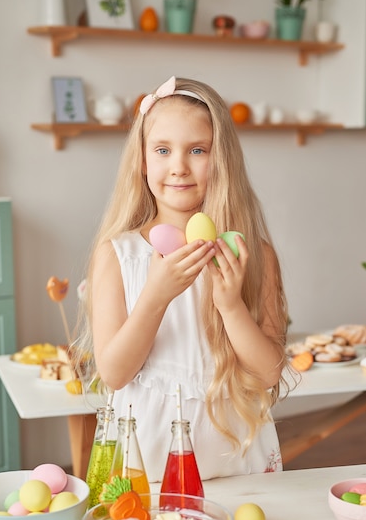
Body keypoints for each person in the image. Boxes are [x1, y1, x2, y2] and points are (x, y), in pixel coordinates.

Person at [77, 75, 290, 482]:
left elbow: (268, 374)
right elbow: (115, 373)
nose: (178, 166)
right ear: (142, 160)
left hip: (238, 454)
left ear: (221, 159)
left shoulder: (251, 254)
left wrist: (229, 305)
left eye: (197, 150)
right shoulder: (117, 255)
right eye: (162, 150)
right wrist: (156, 296)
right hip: (152, 456)